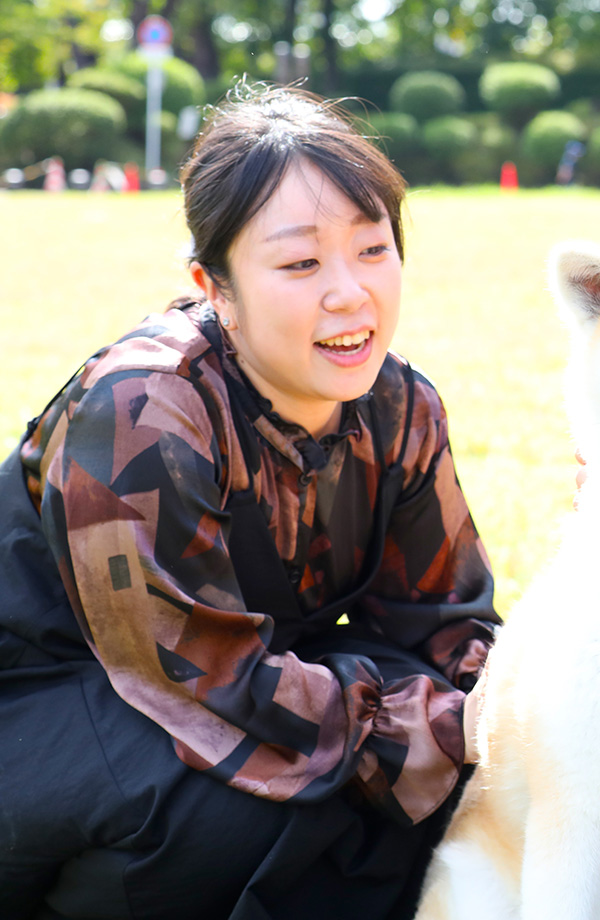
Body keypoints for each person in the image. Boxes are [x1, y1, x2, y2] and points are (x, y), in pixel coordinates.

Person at [0, 84, 500, 919]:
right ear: (216, 286)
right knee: (236, 808)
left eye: (372, 248)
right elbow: (199, 679)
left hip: (247, 678)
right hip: (61, 697)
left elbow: (446, 623)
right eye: (301, 263)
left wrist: (504, 718)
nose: (350, 292)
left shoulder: (401, 406)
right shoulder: (142, 410)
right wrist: (438, 731)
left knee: (456, 776)